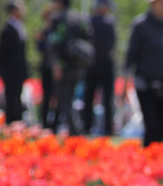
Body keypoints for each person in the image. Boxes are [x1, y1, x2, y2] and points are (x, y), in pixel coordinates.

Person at [126, 0, 163, 145]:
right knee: (152, 126)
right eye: (162, 2)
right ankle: (148, 160)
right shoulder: (140, 25)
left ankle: (159, 161)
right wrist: (125, 83)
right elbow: (130, 56)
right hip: (145, 84)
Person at [46, 0, 92, 134]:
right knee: (71, 98)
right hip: (79, 65)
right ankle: (75, 128)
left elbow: (53, 44)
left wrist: (55, 65)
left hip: (64, 65)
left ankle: (75, 130)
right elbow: (89, 38)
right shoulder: (80, 18)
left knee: (64, 99)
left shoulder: (58, 19)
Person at [83, 0, 117, 135]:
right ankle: (108, 128)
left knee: (89, 97)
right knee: (107, 98)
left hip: (90, 63)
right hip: (104, 62)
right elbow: (112, 43)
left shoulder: (87, 21)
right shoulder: (109, 22)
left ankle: (87, 127)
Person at [0, 0, 28, 123]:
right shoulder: (7, 29)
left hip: (19, 71)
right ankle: (10, 123)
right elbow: (1, 51)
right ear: (13, 11)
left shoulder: (19, 27)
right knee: (11, 99)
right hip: (10, 71)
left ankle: (17, 122)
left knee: (17, 98)